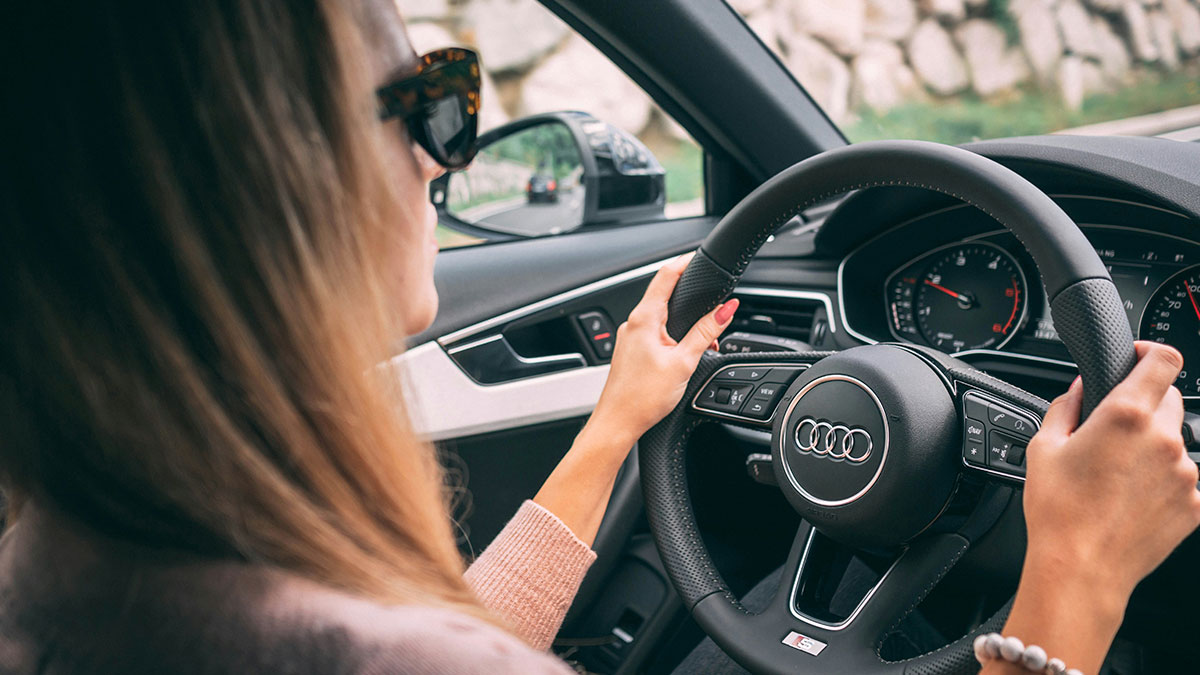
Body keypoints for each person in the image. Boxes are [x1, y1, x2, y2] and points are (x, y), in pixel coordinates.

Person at [0, 1, 1194, 674]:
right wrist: (1071, 578)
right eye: (431, 98)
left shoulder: (61, 570)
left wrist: (617, 425)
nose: (444, 149)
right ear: (271, 171)